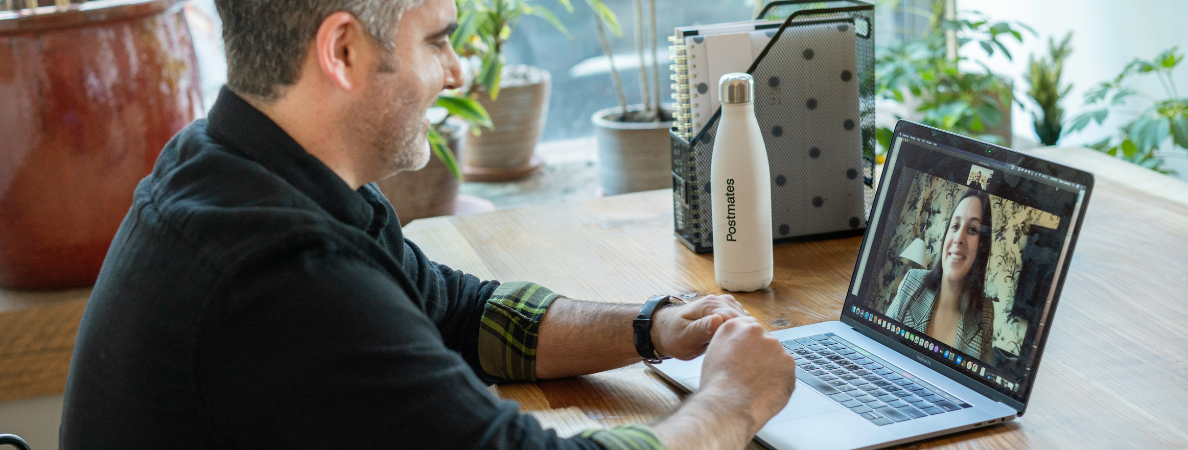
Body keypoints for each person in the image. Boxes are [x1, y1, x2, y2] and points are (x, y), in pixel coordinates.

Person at [58, 0, 798, 449]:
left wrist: (653, 326)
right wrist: (734, 400)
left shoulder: (236, 161)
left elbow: (457, 311)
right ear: (342, 51)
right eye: (437, 40)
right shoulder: (285, 278)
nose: (458, 73)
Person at [887, 189, 995, 361]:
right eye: (955, 226)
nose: (959, 238)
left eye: (973, 229)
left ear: (982, 246)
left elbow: (978, 383)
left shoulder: (986, 312)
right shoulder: (912, 282)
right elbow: (879, 344)